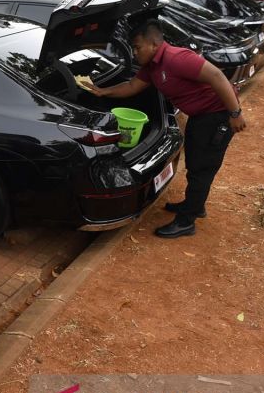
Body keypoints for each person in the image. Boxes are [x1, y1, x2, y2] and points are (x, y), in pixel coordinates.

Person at [85, 19, 247, 238]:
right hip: (200, 117)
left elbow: (217, 76)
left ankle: (186, 222)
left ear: (154, 44)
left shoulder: (176, 58)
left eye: (137, 47)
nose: (134, 53)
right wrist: (103, 91)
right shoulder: (152, 66)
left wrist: (235, 113)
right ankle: (194, 205)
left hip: (216, 117)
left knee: (202, 169)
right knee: (195, 163)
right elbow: (132, 86)